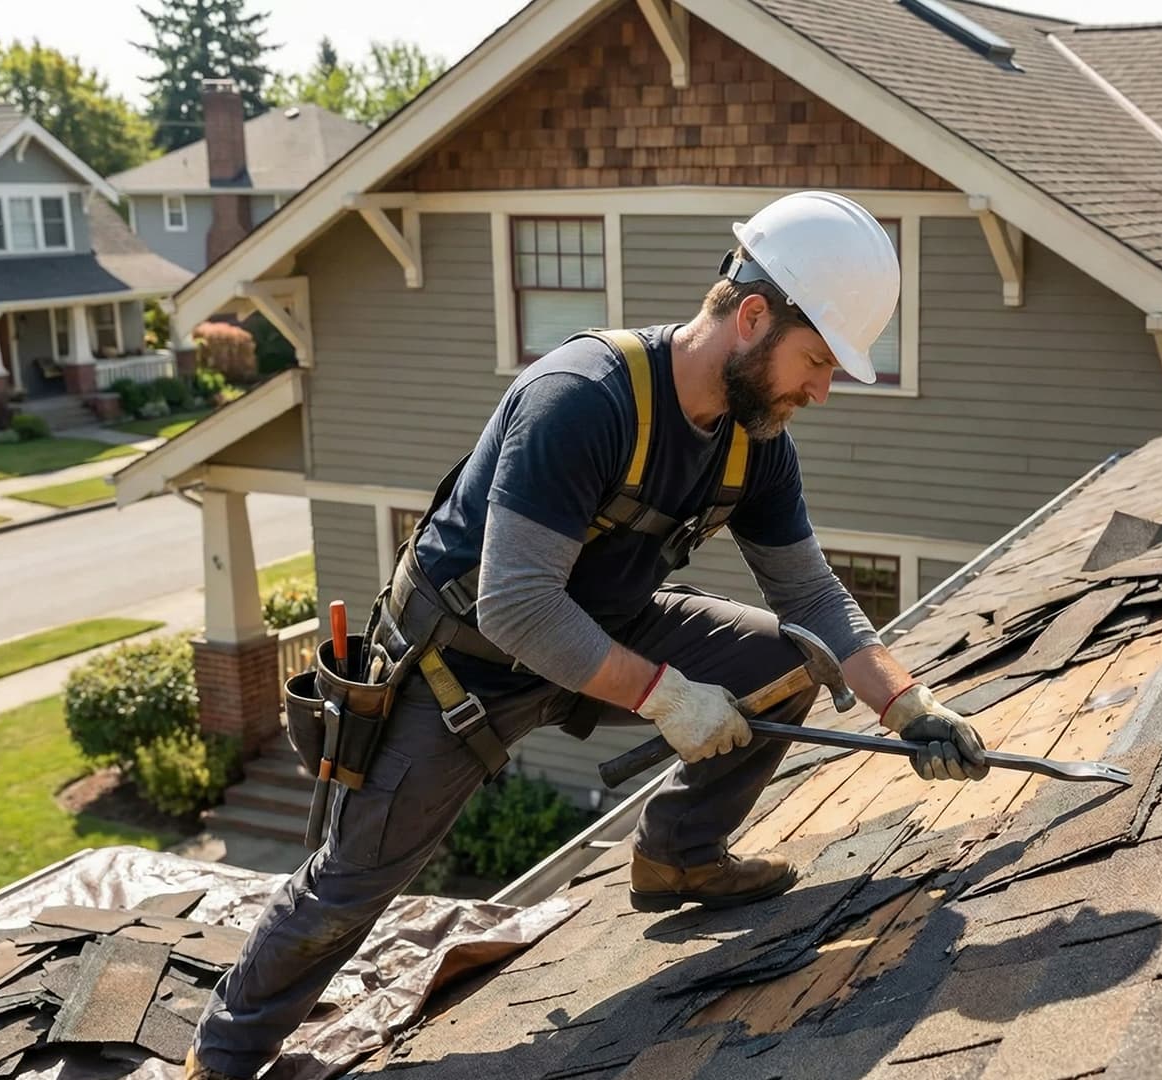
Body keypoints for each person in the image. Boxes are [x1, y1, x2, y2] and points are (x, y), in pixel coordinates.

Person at [186, 191, 991, 1079]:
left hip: (606, 634)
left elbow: (809, 591)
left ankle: (679, 858)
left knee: (785, 663)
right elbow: (517, 606)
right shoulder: (582, 398)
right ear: (753, 316)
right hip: (462, 669)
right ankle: (222, 1058)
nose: (821, 389)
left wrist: (907, 702)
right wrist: (665, 696)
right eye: (815, 361)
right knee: (348, 888)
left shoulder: (754, 442)